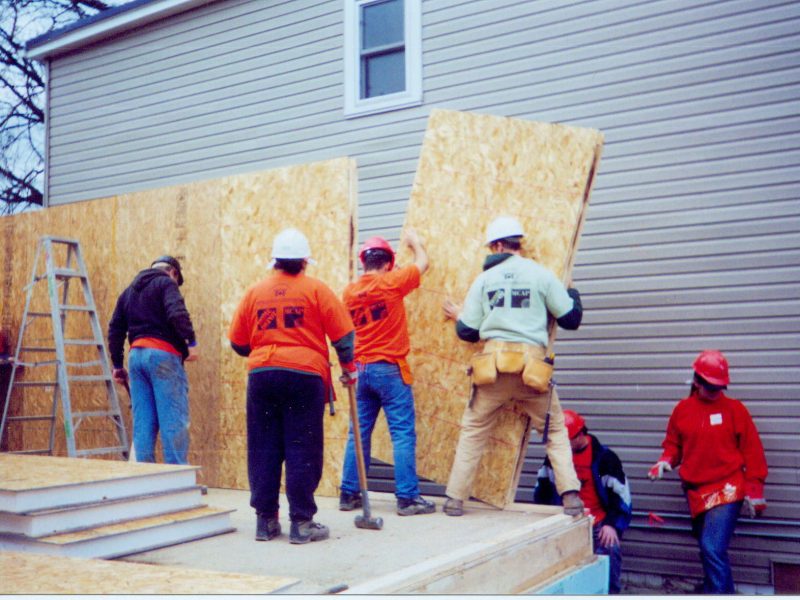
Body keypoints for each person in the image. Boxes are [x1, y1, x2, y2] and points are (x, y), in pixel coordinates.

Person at [441, 215, 584, 517]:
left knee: (473, 430)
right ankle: (570, 496)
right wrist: (572, 293)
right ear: (518, 243)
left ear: (497, 245)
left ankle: (455, 499)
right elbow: (571, 319)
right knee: (555, 430)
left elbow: (467, 331)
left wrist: (459, 315)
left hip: (493, 369)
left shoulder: (484, 280)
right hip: (532, 370)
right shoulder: (541, 275)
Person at [227, 228, 356, 545]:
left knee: (263, 447)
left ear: (275, 262)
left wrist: (266, 348)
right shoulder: (316, 290)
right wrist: (349, 369)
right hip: (304, 376)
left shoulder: (255, 292)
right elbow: (344, 337)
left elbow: (238, 342)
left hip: (263, 376)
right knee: (302, 447)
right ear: (304, 262)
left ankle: (265, 521)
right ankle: (301, 522)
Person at [648, 350, 768, 594]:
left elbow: (753, 451)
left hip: (728, 487)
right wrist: (665, 461)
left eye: (720, 387)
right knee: (707, 548)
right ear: (696, 381)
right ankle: (716, 588)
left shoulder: (735, 410)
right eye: (711, 387)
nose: (716, 392)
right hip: (696, 490)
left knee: (711, 547)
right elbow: (673, 445)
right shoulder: (682, 410)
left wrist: (754, 489)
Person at [338, 228, 436, 517]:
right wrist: (415, 243)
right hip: (389, 370)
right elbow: (423, 263)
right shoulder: (392, 282)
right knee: (402, 434)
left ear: (363, 262)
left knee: (358, 433)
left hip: (360, 371)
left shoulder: (349, 292)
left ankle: (348, 493)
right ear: (389, 262)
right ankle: (407, 498)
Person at [108, 255, 199, 464]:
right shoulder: (166, 283)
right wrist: (191, 343)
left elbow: (115, 329)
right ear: (173, 272)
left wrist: (117, 365)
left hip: (136, 358)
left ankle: (145, 480)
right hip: (162, 356)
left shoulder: (129, 291)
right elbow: (177, 313)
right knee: (173, 420)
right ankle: (175, 481)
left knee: (143, 422)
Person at [534, 409, 631, 594]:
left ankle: (610, 593)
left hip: (599, 523)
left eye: (566, 440)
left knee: (610, 548)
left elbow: (622, 496)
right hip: (566, 521)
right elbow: (542, 488)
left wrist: (612, 525)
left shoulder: (605, 459)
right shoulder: (555, 457)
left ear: (579, 435)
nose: (562, 445)